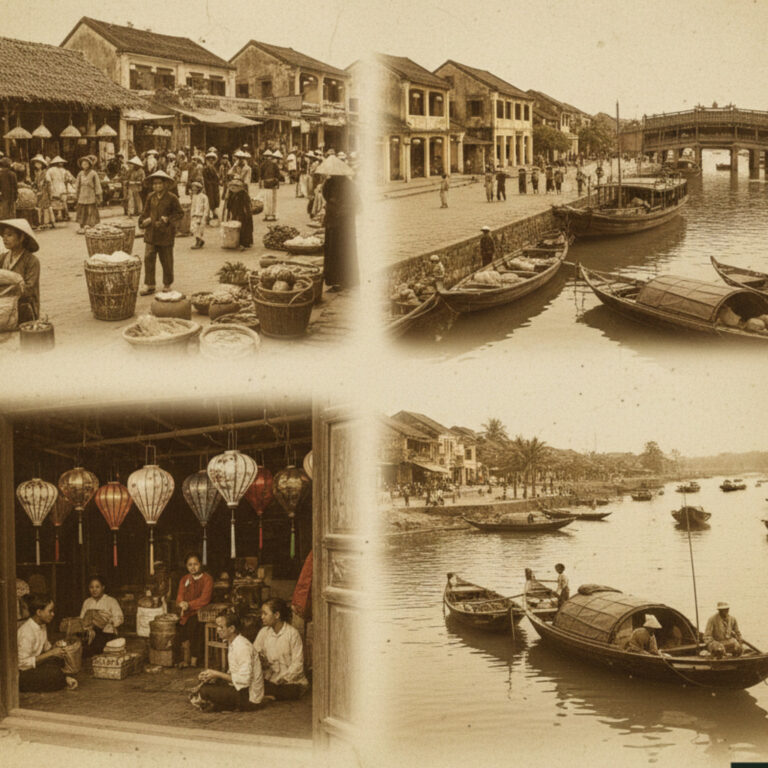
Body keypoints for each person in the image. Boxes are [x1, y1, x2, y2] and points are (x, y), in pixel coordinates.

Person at [192, 612, 264, 712]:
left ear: (231, 629)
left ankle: (224, 706)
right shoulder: (233, 642)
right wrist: (212, 676)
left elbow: (244, 681)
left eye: (221, 627)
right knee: (205, 684)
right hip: (240, 689)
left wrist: (216, 674)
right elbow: (234, 673)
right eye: (217, 626)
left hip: (249, 697)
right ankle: (219, 705)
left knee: (204, 691)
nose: (218, 630)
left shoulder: (242, 646)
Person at [18, 595, 77, 692]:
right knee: (54, 673)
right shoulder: (26, 632)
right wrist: (51, 653)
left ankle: (62, 679)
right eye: (50, 611)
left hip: (35, 666)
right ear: (39, 612)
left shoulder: (42, 625)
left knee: (59, 661)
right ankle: (63, 679)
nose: (53, 614)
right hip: (22, 673)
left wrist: (56, 646)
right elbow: (22, 664)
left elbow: (46, 647)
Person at [254, 598, 309, 701]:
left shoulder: (292, 634)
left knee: (290, 691)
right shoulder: (263, 632)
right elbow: (254, 654)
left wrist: (282, 679)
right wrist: (260, 661)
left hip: (290, 682)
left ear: (277, 615)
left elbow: (298, 665)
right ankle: (269, 696)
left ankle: (267, 696)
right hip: (270, 680)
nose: (262, 617)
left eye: (265, 614)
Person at [139, 170, 183, 295]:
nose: (157, 186)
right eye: (155, 184)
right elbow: (145, 212)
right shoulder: (150, 197)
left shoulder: (172, 198)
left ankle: (167, 284)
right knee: (149, 258)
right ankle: (150, 284)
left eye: (159, 184)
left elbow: (179, 213)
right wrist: (143, 221)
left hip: (166, 233)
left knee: (166, 259)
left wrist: (168, 219)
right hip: (151, 233)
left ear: (165, 184)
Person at [322, 168, 360, 290]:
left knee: (339, 251)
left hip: (341, 221)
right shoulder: (336, 183)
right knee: (340, 250)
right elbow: (326, 196)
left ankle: (340, 281)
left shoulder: (345, 184)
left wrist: (337, 207)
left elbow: (353, 203)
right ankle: (343, 280)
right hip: (338, 221)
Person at [176, 552, 213, 668]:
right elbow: (180, 596)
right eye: (189, 565)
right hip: (186, 612)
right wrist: (181, 603)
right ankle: (185, 659)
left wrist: (189, 604)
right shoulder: (184, 579)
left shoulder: (207, 579)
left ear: (200, 564)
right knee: (178, 629)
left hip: (201, 612)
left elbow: (204, 599)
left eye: (195, 564)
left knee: (194, 627)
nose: (193, 567)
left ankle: (194, 660)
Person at [0, 219, 40, 322]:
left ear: (21, 238)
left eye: (9, 235)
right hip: (4, 305)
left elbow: (29, 289)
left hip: (23, 308)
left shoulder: (32, 261)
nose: (5, 238)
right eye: (4, 235)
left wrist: (9, 288)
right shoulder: (3, 258)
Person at [79, 576, 124, 657]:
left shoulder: (111, 601)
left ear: (103, 587)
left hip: (106, 634)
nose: (94, 590)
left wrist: (109, 621)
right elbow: (82, 619)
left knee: (94, 647)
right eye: (91, 587)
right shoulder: (87, 602)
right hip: (90, 634)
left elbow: (120, 618)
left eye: (97, 587)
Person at [222, 178, 253, 250]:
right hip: (234, 213)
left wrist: (247, 214)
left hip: (242, 214)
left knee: (243, 228)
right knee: (234, 227)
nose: (233, 188)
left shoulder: (243, 194)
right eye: (232, 186)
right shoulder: (231, 194)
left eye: (235, 186)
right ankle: (234, 242)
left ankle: (244, 243)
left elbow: (247, 206)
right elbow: (228, 205)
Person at [74, 156, 102, 233]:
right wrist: (76, 194)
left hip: (91, 194)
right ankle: (82, 226)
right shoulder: (80, 174)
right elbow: (77, 185)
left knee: (91, 210)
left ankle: (91, 225)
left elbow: (97, 185)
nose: (84, 165)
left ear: (89, 164)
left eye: (86, 163)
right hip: (82, 194)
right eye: (83, 163)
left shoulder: (93, 173)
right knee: (82, 210)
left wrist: (98, 195)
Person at [47, 156, 74, 222]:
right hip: (62, 187)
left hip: (54, 186)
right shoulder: (64, 170)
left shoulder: (50, 170)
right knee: (64, 202)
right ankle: (66, 215)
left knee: (55, 201)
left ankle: (56, 216)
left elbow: (48, 180)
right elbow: (70, 179)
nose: (61, 164)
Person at [31, 156, 54, 229]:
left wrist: (48, 192)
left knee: (45, 207)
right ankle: (41, 222)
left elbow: (48, 183)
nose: (37, 165)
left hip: (45, 192)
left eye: (38, 163)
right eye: (36, 163)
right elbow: (36, 183)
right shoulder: (36, 173)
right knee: (40, 207)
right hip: (39, 191)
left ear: (42, 164)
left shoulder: (45, 173)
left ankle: (46, 222)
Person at [188, 181, 210, 250]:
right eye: (193, 189)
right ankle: (199, 241)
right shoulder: (194, 196)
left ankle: (198, 242)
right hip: (194, 215)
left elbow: (206, 207)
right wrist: (191, 214)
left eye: (195, 189)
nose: (193, 190)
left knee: (199, 229)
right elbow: (193, 206)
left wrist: (205, 216)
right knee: (194, 229)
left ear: (199, 189)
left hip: (201, 215)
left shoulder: (204, 197)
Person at [262, 150, 281, 221]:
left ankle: (268, 215)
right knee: (273, 200)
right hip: (272, 184)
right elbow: (278, 175)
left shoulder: (263, 164)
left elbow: (261, 175)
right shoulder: (274, 164)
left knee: (267, 200)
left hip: (268, 184)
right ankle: (272, 215)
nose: (268, 158)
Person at [203, 152, 221, 220]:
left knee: (214, 200)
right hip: (209, 187)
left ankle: (213, 213)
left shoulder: (214, 168)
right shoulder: (206, 169)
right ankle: (210, 215)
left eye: (212, 160)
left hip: (214, 187)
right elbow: (205, 179)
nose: (211, 161)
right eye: (209, 160)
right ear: (207, 160)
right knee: (210, 201)